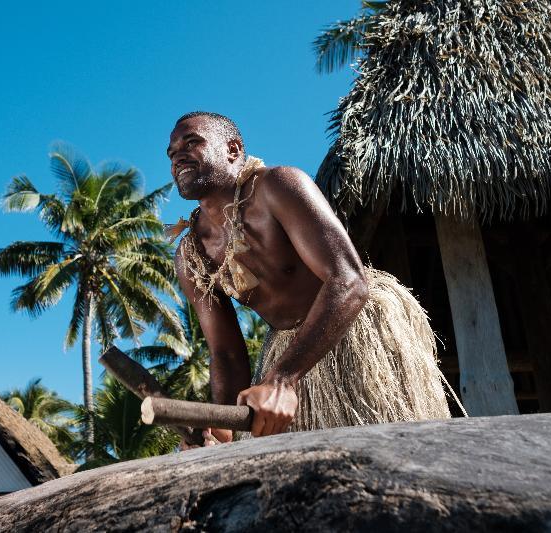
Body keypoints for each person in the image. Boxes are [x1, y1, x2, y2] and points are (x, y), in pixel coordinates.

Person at [166, 111, 453, 446]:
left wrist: (283, 379)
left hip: (353, 328)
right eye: (172, 153)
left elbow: (347, 279)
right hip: (287, 354)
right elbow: (226, 353)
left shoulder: (277, 186)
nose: (178, 156)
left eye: (192, 143)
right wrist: (219, 428)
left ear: (233, 149)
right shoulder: (191, 255)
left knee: (397, 451)